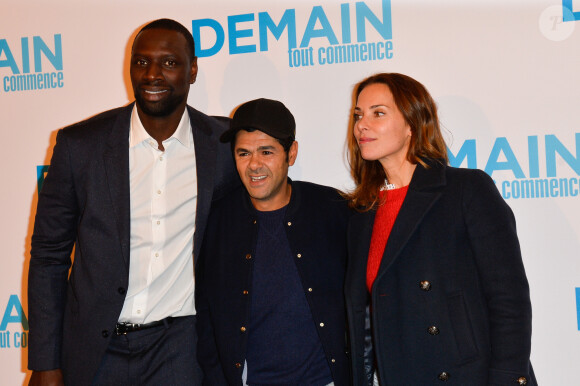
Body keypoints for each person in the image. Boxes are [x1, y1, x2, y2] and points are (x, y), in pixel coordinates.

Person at [27, 19, 238, 385]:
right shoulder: (80, 145)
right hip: (93, 350)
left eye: (169, 63)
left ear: (193, 71)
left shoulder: (223, 146)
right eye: (141, 62)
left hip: (180, 349)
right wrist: (45, 363)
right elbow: (49, 255)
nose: (152, 74)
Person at [343, 73, 536, 385]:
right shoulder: (361, 213)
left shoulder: (466, 190)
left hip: (469, 376)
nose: (361, 125)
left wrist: (507, 378)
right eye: (358, 115)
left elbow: (508, 300)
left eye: (378, 113)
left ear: (411, 124)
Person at [196, 98, 351, 386]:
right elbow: (205, 316)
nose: (254, 165)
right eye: (243, 153)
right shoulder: (215, 221)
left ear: (290, 153)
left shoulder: (333, 209)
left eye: (266, 151)